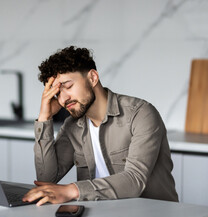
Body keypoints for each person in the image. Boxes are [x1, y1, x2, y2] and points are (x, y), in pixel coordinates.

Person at [22, 46, 178, 206]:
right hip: (100, 216)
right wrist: (44, 118)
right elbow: (46, 180)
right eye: (57, 94)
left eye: (67, 86)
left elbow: (134, 180)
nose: (63, 99)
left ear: (93, 77)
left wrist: (71, 190)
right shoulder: (72, 126)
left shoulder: (140, 114)